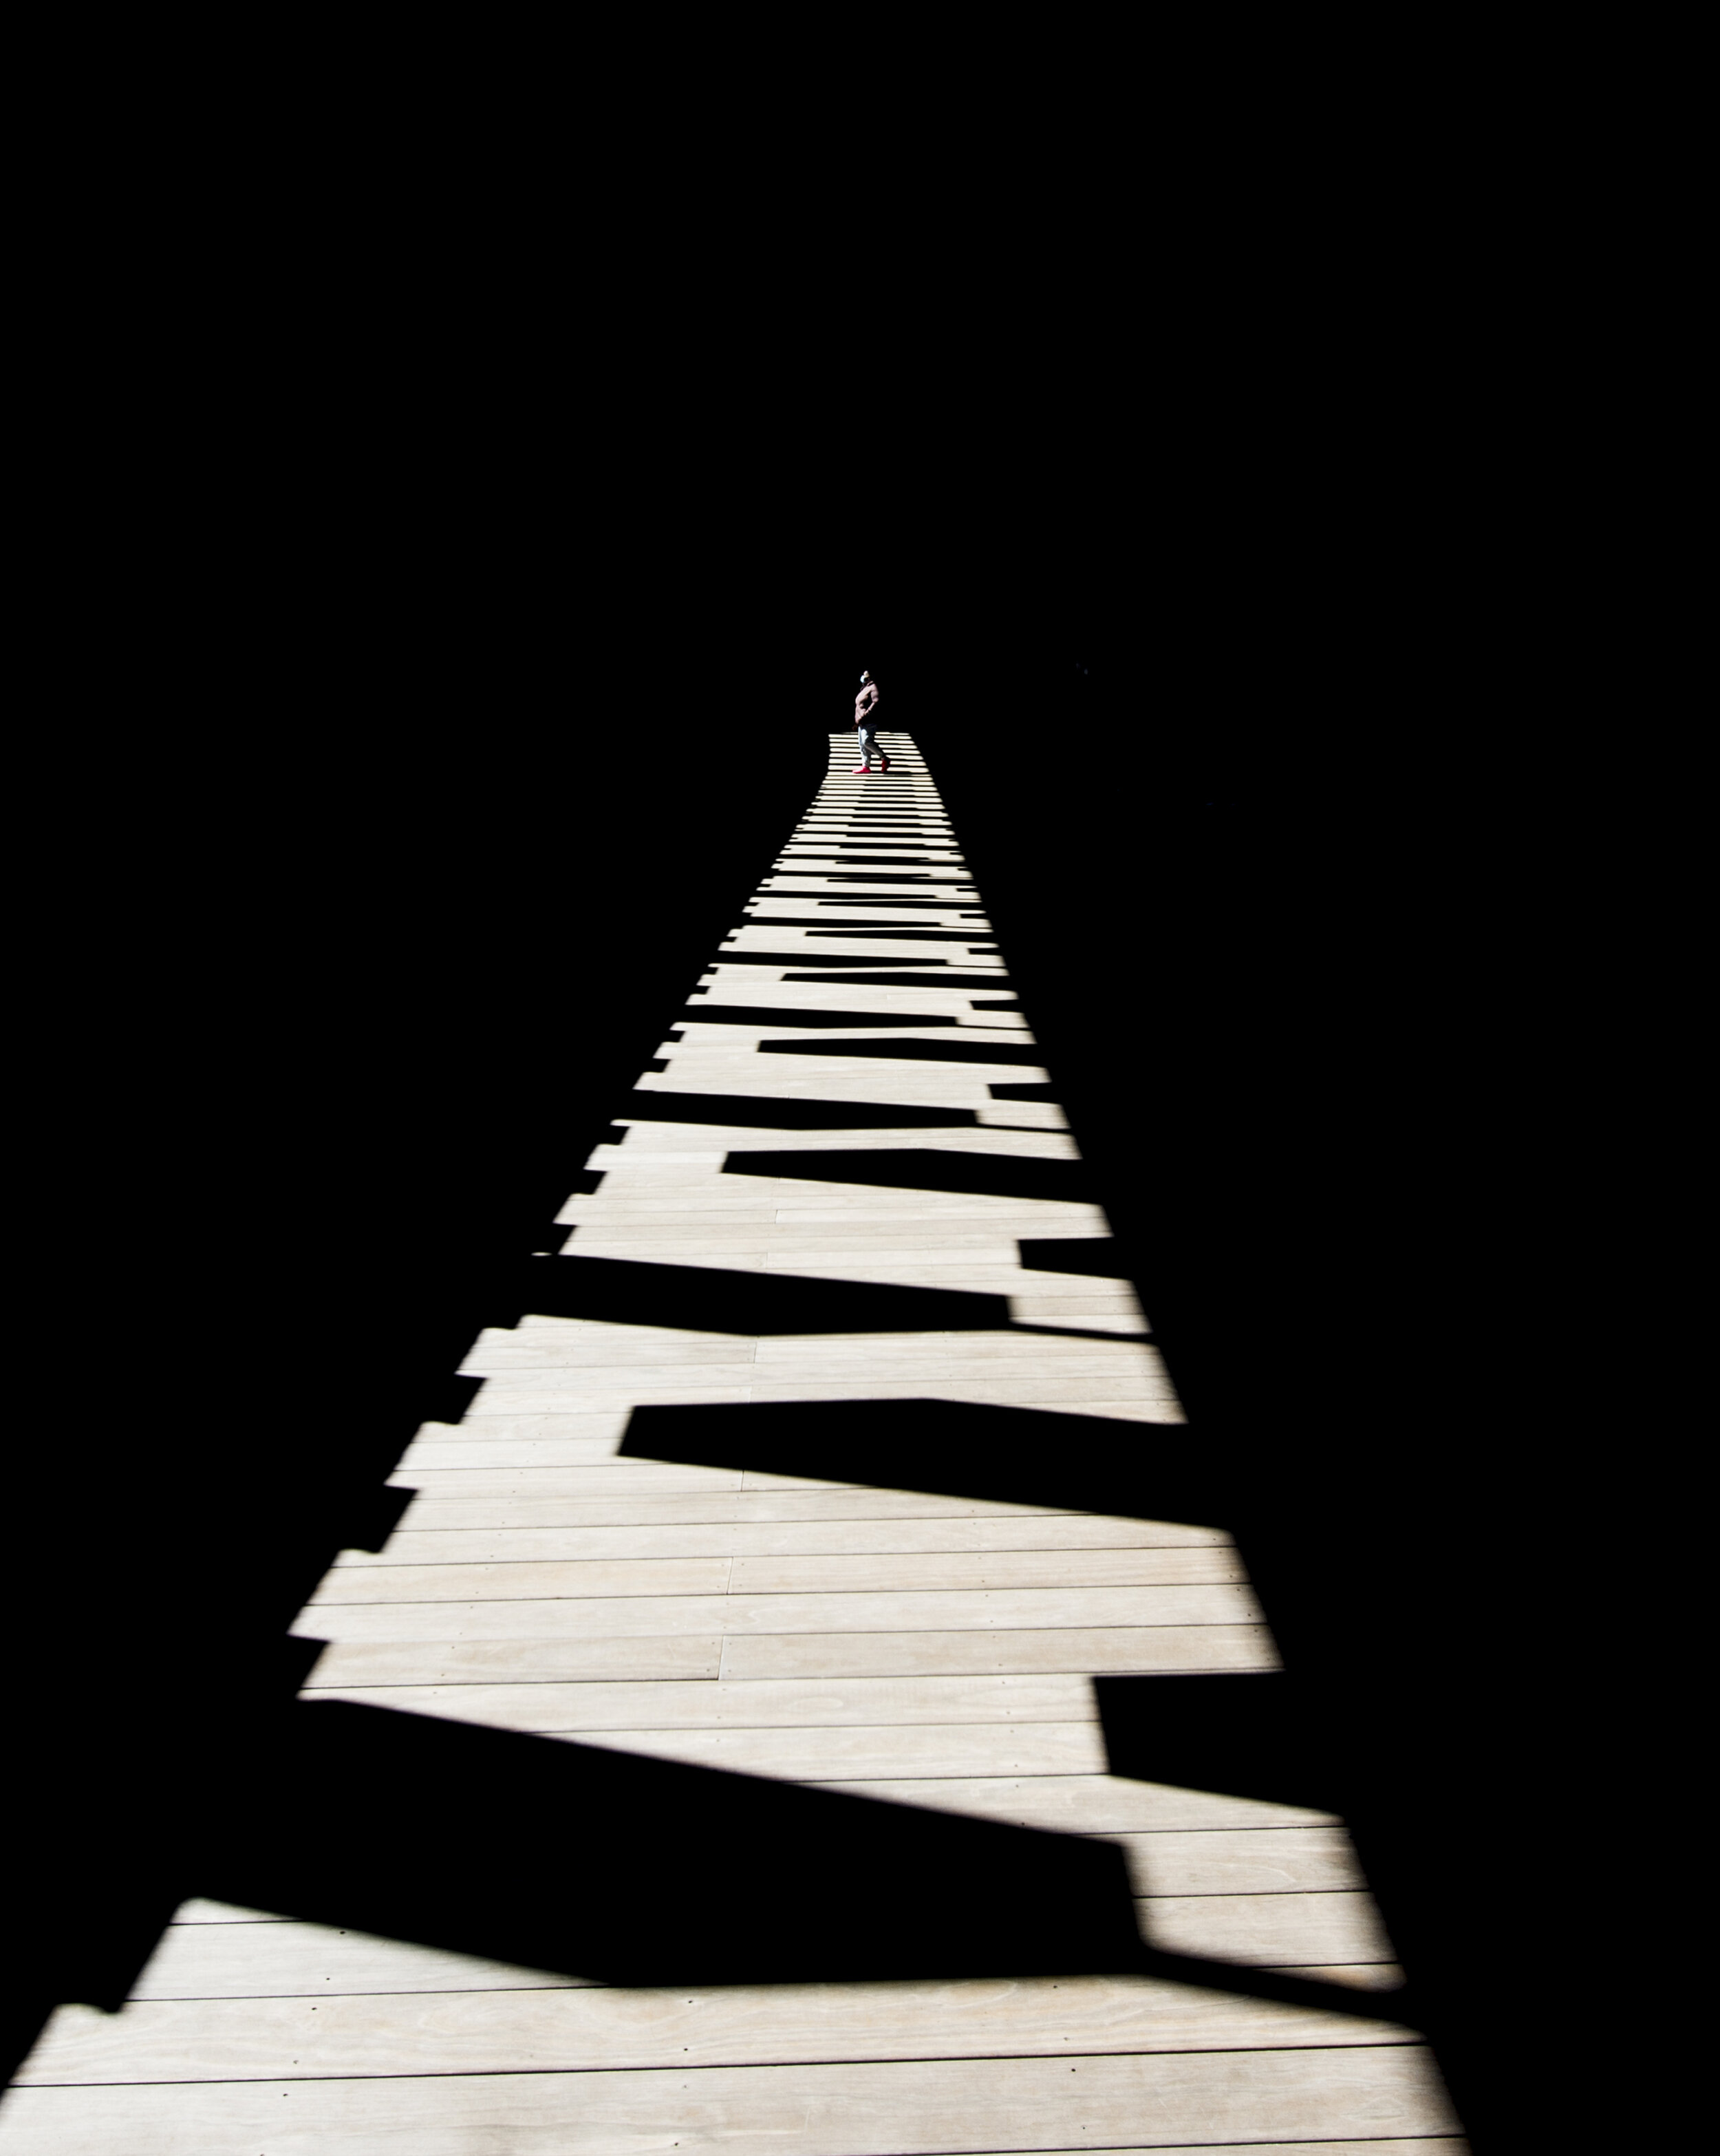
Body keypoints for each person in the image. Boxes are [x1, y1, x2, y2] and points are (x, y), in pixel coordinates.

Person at [852, 669, 890, 773]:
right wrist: (857, 721)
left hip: (869, 720)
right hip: (862, 720)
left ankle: (884, 758)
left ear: (868, 678)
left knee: (866, 741)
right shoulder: (866, 688)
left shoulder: (873, 687)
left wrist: (866, 713)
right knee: (862, 743)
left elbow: (876, 702)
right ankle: (866, 766)